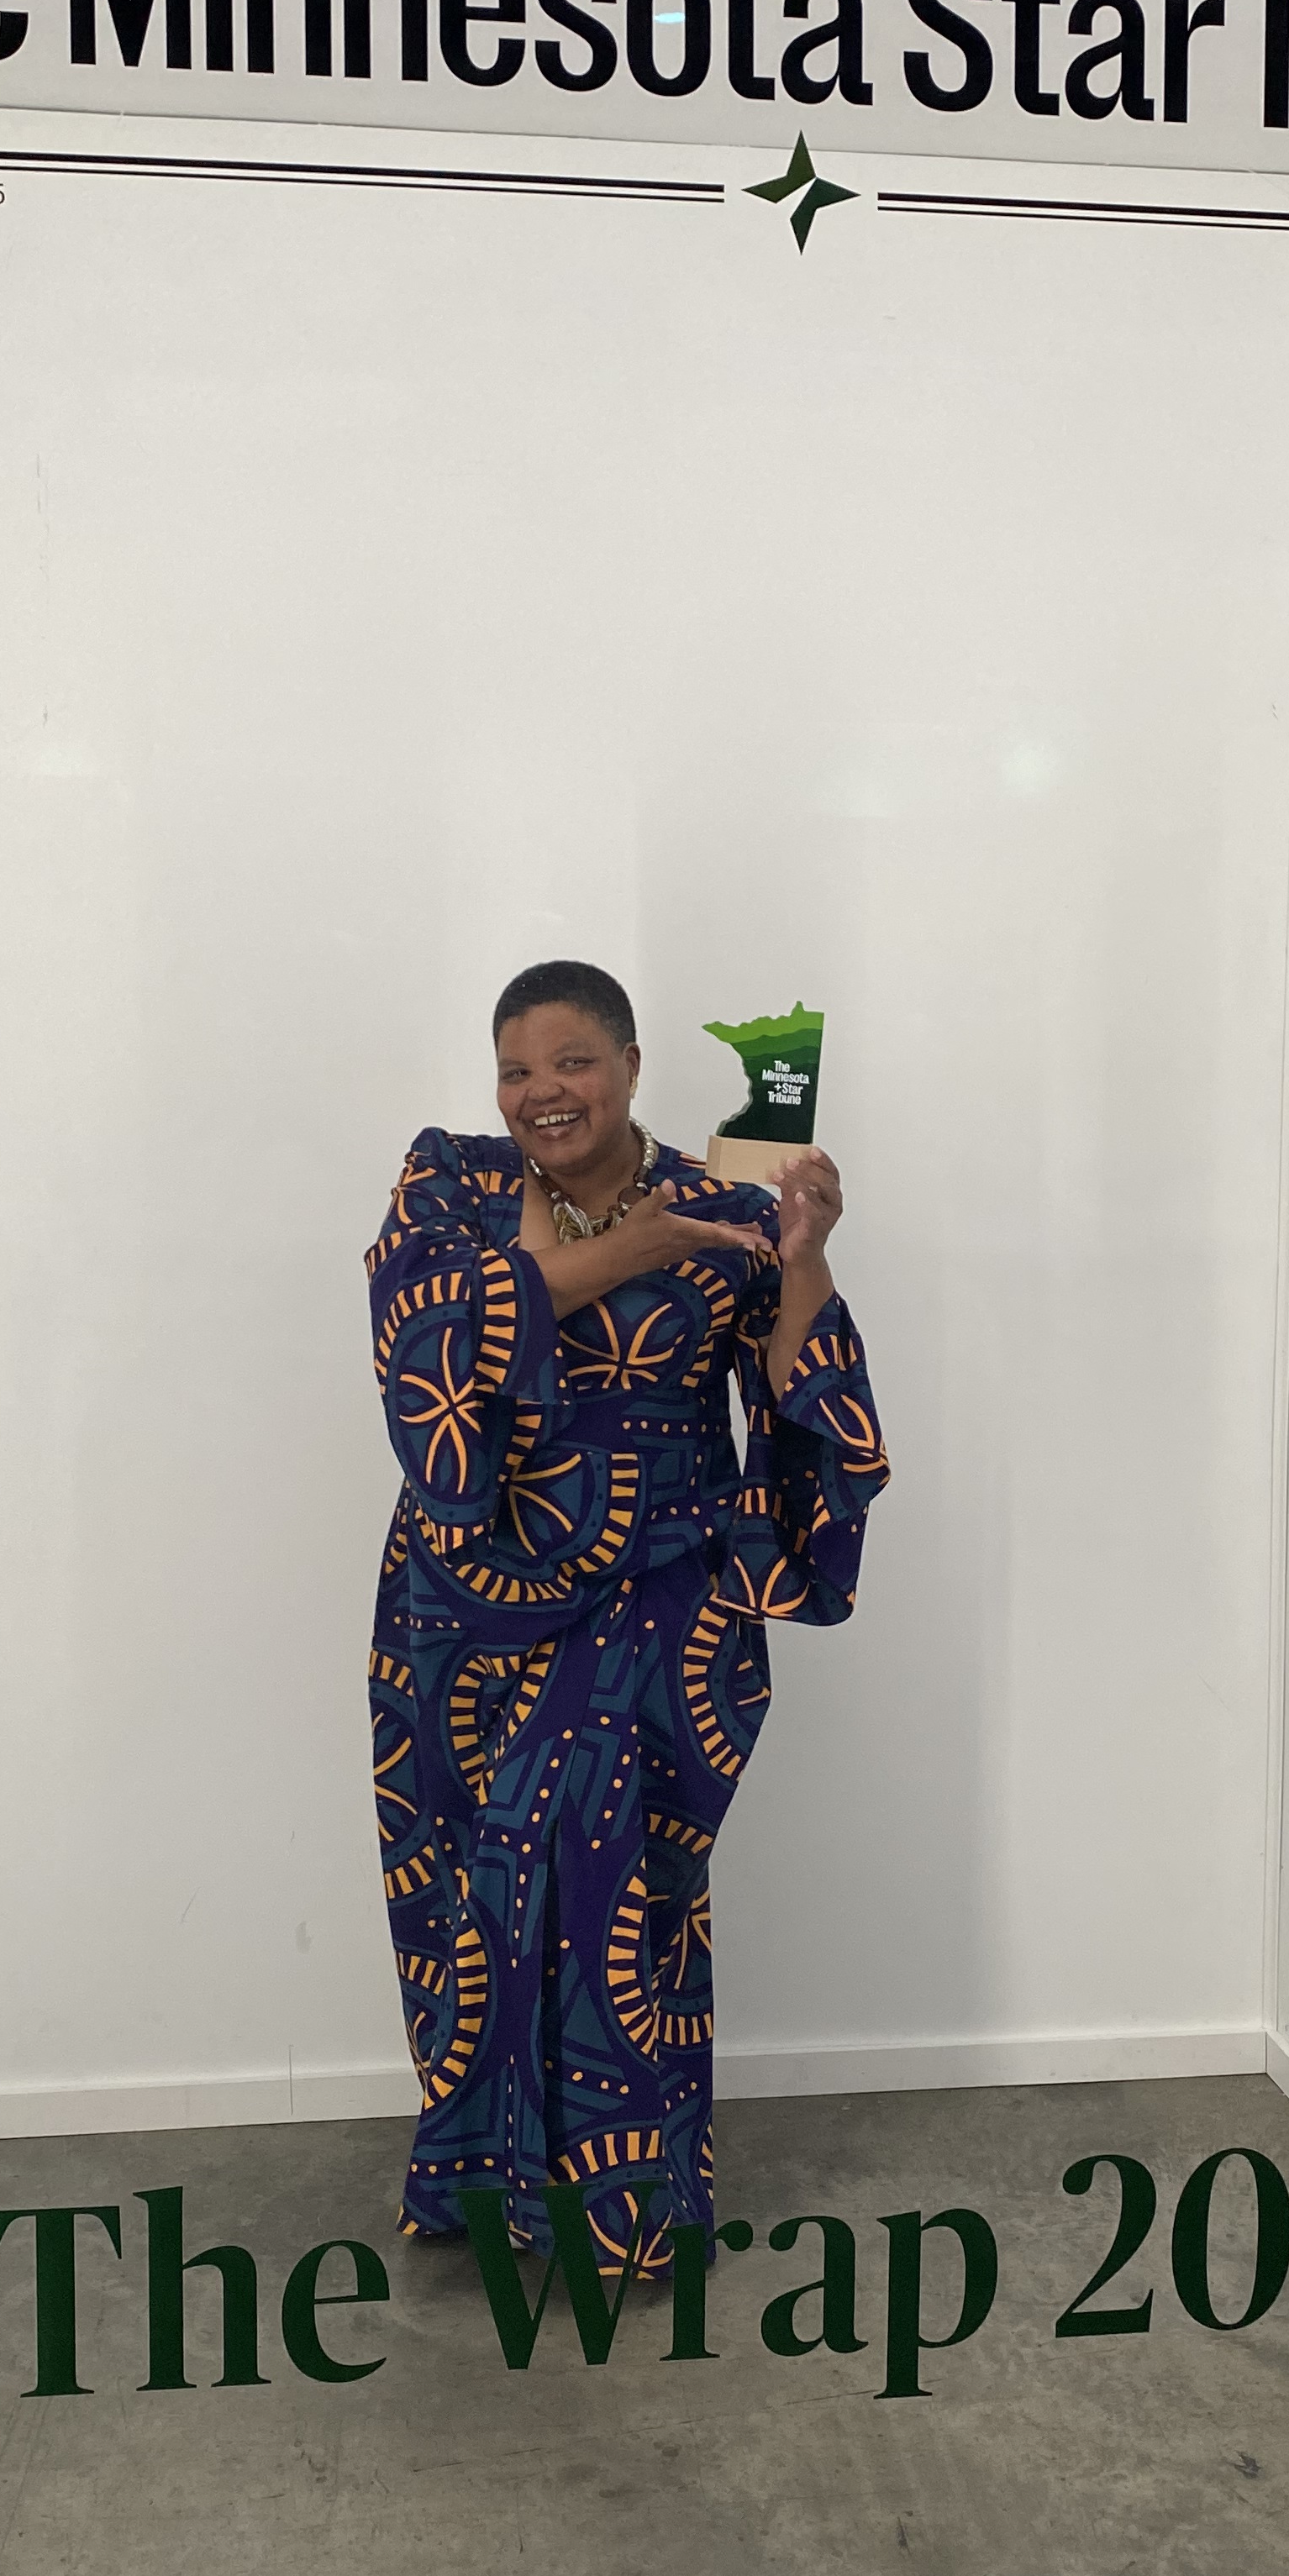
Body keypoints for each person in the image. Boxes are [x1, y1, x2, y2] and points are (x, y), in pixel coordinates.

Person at [365, 959, 887, 2276]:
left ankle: (626, 2205)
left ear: (635, 1065)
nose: (543, 1092)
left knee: (616, 1888)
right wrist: (624, 1255)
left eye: (573, 1062)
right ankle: (480, 2179)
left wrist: (808, 1259)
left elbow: (792, 1391)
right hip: (462, 1597)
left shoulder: (723, 1207)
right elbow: (421, 1348)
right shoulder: (450, 1184)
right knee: (477, 1892)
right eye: (516, 1069)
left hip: (660, 1595)